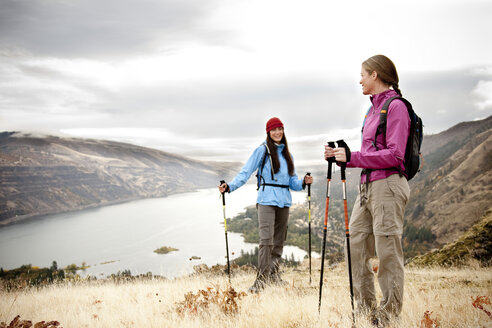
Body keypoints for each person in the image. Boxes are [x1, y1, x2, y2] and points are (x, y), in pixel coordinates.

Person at [324, 55, 411, 326]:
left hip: (388, 185)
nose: (359, 79)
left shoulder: (396, 107)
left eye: (362, 74)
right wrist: (342, 155)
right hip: (367, 186)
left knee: (387, 250)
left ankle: (388, 316)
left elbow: (395, 155)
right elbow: (371, 151)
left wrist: (352, 157)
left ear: (375, 75)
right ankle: (364, 310)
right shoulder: (372, 109)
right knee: (356, 245)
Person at [219, 117, 313, 293]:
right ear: (268, 132)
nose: (278, 132)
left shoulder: (288, 154)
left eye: (280, 129)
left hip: (284, 201)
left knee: (278, 241)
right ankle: (261, 281)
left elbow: (292, 182)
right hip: (266, 200)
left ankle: (273, 275)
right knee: (266, 242)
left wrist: (303, 182)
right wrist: (230, 186)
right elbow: (245, 172)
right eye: (274, 130)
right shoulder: (262, 151)